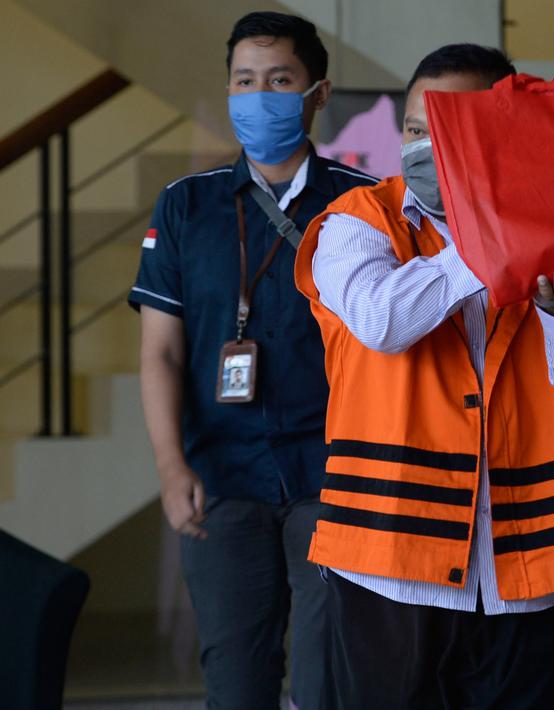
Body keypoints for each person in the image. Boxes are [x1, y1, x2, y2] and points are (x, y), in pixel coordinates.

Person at [293, 44, 554, 708]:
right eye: (416, 129)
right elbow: (379, 319)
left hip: (531, 568)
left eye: (451, 129)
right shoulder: (356, 224)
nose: (426, 147)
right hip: (390, 564)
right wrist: (496, 237)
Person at [130, 11, 377, 708]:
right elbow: (160, 352)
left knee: (331, 681)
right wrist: (169, 466)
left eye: (279, 80)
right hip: (220, 478)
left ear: (317, 93)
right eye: (245, 81)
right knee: (236, 684)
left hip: (335, 472)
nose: (258, 95)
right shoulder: (186, 206)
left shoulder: (364, 205)